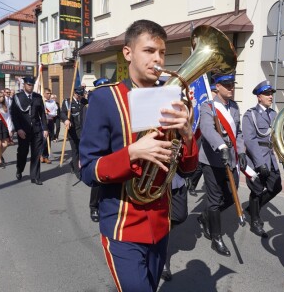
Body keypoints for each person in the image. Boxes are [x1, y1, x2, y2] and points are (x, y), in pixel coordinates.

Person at [79, 19, 198, 292]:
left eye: (162, 52)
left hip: (160, 223)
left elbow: (187, 170)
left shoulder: (170, 99)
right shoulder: (105, 99)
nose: (157, 59)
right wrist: (132, 152)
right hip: (123, 226)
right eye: (149, 51)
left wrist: (189, 136)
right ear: (128, 53)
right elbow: (88, 170)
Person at [197, 73, 246, 257]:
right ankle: (216, 238)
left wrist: (240, 151)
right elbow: (207, 129)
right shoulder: (208, 106)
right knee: (215, 199)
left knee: (230, 197)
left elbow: (238, 132)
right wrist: (221, 145)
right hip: (212, 160)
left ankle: (204, 216)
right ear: (217, 87)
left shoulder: (234, 106)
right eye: (226, 85)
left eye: (232, 84)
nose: (231, 87)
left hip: (231, 159)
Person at [242, 80, 283, 238]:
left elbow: (277, 138)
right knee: (257, 190)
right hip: (256, 158)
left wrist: (283, 159)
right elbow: (250, 140)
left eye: (271, 93)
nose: (270, 96)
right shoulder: (250, 114)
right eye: (267, 94)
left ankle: (253, 209)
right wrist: (260, 163)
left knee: (276, 186)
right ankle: (255, 221)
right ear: (259, 97)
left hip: (271, 158)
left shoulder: (273, 114)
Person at [10, 77, 48, 185]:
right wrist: (18, 129)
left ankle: (35, 176)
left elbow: (42, 114)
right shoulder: (17, 97)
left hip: (36, 130)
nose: (30, 87)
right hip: (23, 131)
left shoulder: (38, 97)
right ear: (24, 85)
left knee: (36, 154)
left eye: (32, 85)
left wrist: (45, 128)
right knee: (23, 153)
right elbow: (14, 115)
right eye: (28, 85)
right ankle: (19, 169)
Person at [88, 78, 111, 222]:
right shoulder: (90, 107)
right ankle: (94, 206)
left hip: (113, 146)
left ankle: (107, 205)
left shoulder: (114, 104)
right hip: (97, 147)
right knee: (98, 179)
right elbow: (87, 131)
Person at [60, 87, 88, 179]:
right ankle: (78, 171)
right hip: (73, 131)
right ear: (75, 94)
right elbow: (62, 113)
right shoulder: (67, 102)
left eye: (81, 96)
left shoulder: (84, 101)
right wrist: (66, 120)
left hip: (83, 130)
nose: (80, 97)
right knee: (75, 150)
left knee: (82, 150)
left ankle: (73, 163)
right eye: (78, 96)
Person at [41, 88, 58, 164]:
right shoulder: (41, 102)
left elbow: (54, 113)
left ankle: (46, 156)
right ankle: (41, 154)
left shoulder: (53, 102)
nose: (49, 95)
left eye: (50, 93)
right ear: (44, 94)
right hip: (43, 122)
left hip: (50, 121)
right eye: (47, 93)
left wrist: (48, 113)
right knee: (44, 139)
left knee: (49, 139)